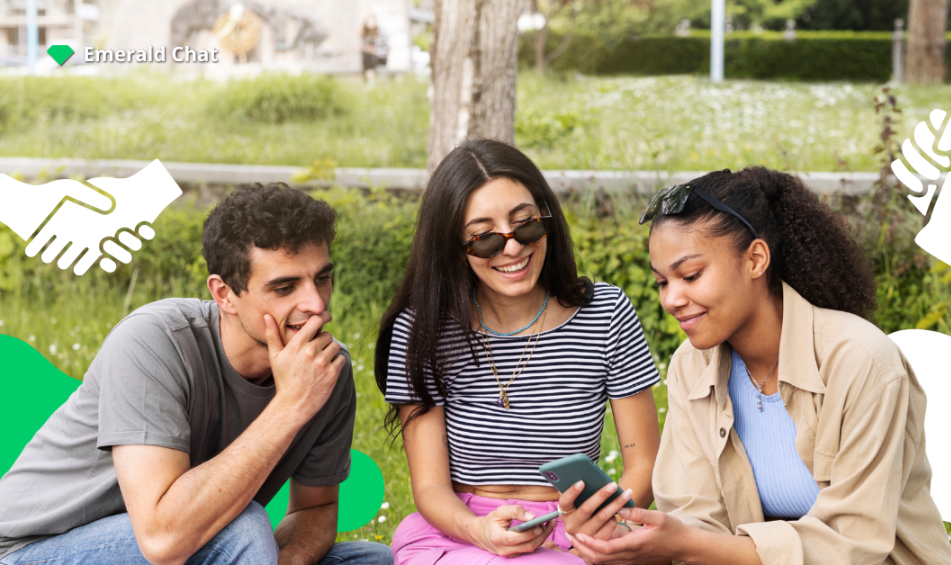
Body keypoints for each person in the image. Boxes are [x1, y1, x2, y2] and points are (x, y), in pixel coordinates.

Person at [567, 167, 951, 565]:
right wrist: (622, 541)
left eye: (690, 275)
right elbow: (694, 520)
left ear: (755, 260)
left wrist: (684, 544)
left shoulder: (860, 360)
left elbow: (852, 544)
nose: (672, 299)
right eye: (662, 282)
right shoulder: (690, 366)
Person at [0, 184, 393, 565]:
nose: (316, 303)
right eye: (285, 286)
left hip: (186, 543)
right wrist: (290, 405)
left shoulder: (323, 369)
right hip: (34, 548)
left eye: (322, 278)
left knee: (374, 560)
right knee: (242, 529)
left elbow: (316, 507)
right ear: (224, 294)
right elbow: (162, 540)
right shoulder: (154, 342)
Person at [374, 139, 662, 564]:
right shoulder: (422, 330)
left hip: (575, 528)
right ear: (453, 246)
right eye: (485, 239)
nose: (512, 248)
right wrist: (479, 531)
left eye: (526, 225)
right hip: (460, 532)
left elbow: (644, 464)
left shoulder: (605, 313)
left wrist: (599, 516)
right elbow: (431, 487)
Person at [360, 15, 388, 82]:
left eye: (371, 21)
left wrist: (375, 51)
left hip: (380, 58)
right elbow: (361, 48)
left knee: (367, 57)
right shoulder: (365, 35)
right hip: (369, 59)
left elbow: (386, 49)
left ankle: (370, 81)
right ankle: (370, 80)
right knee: (367, 56)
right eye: (368, 21)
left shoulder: (381, 33)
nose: (370, 23)